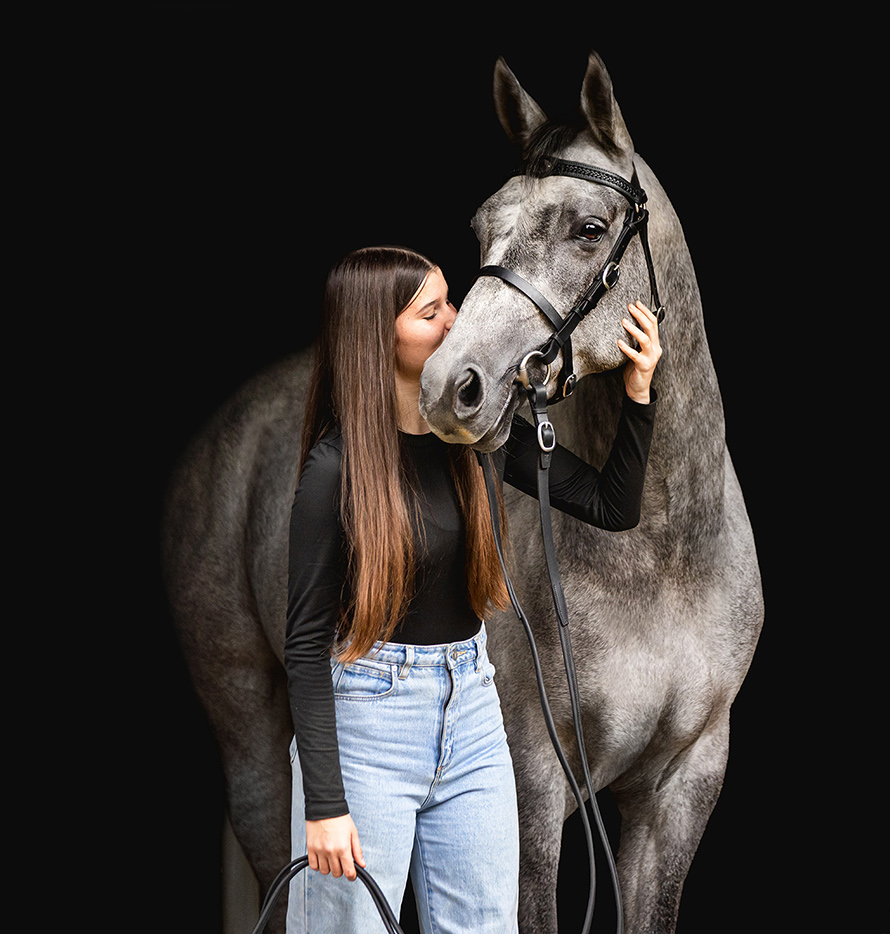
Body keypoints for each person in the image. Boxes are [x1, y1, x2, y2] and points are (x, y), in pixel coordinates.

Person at [283, 245, 661, 933]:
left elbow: (613, 506)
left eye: (450, 301)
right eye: (433, 312)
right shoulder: (331, 472)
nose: (457, 321)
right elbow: (306, 647)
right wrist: (324, 804)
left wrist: (638, 394)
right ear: (379, 335)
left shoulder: (480, 433)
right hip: (369, 723)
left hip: (473, 715)